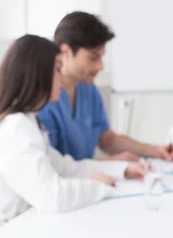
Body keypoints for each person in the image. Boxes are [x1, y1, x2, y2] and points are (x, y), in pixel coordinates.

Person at [0, 35, 144, 224]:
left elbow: (67, 168)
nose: (63, 77)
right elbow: (52, 197)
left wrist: (121, 169)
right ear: (38, 74)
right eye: (58, 69)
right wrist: (98, 186)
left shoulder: (28, 122)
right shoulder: (16, 128)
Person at [37, 12, 173, 162]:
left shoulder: (88, 89)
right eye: (93, 58)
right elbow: (54, 167)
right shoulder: (44, 101)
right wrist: (111, 163)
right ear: (66, 52)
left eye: (101, 57)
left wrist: (154, 150)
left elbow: (106, 138)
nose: (100, 66)